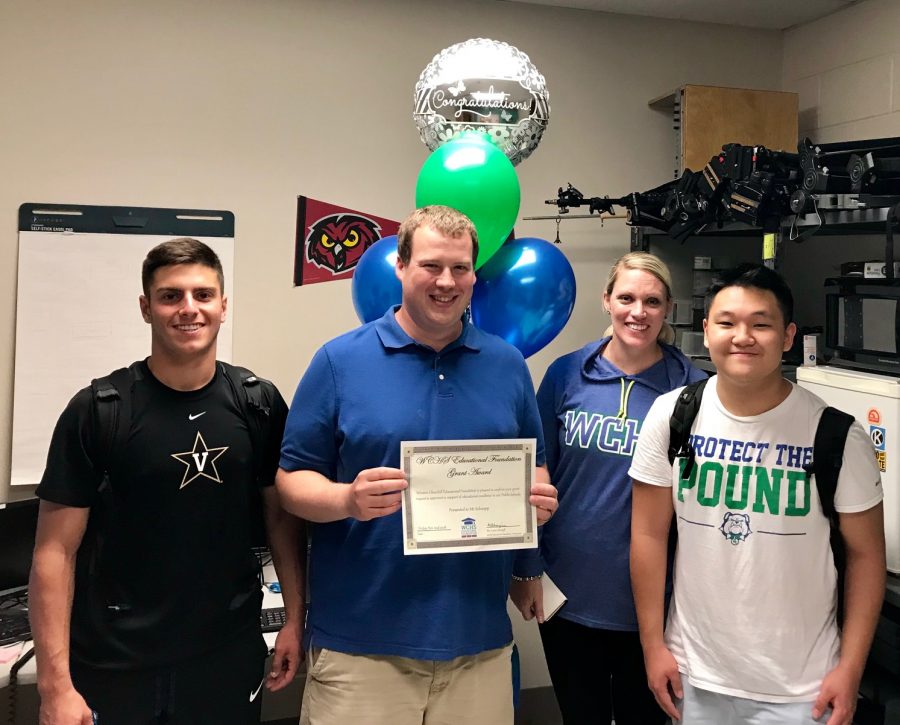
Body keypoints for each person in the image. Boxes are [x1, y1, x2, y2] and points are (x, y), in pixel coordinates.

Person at [276, 205, 559, 725]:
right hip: (361, 649)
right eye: (431, 266)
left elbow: (534, 470)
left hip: (479, 644)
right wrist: (346, 500)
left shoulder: (507, 366)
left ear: (475, 274)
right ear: (401, 267)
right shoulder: (339, 361)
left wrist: (536, 503)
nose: (447, 282)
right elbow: (291, 484)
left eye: (460, 268)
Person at [29, 238, 305, 725]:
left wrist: (294, 621)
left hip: (225, 660)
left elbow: (281, 522)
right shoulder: (98, 411)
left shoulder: (258, 404)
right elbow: (55, 553)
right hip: (115, 665)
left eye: (203, 295)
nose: (188, 309)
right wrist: (55, 686)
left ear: (224, 305)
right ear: (146, 308)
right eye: (170, 296)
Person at [629, 264, 886, 725]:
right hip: (694, 674)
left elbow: (867, 557)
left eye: (761, 324)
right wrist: (653, 645)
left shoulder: (836, 436)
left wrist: (850, 669)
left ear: (787, 336)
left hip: (801, 688)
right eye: (727, 322)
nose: (742, 336)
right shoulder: (672, 416)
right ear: (706, 332)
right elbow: (648, 535)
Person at [509, 252, 705, 725]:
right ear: (607, 301)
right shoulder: (565, 375)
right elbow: (533, 477)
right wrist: (527, 568)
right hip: (568, 596)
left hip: (654, 605)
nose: (638, 312)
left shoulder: (693, 390)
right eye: (627, 298)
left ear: (667, 308)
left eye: (652, 301)